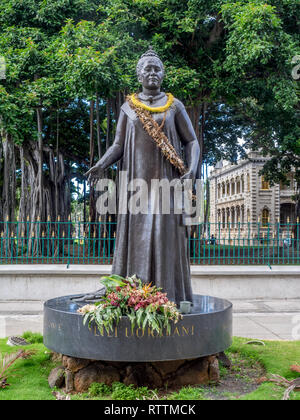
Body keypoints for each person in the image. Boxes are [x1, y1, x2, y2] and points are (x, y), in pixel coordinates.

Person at [86, 47, 200, 304]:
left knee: (164, 236)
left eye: (156, 68)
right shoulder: (128, 108)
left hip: (167, 184)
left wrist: (191, 171)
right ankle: (133, 295)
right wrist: (101, 164)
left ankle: (167, 295)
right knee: (136, 237)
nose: (152, 72)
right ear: (138, 75)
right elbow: (117, 145)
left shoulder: (175, 106)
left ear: (163, 74)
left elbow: (191, 141)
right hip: (136, 184)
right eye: (147, 69)